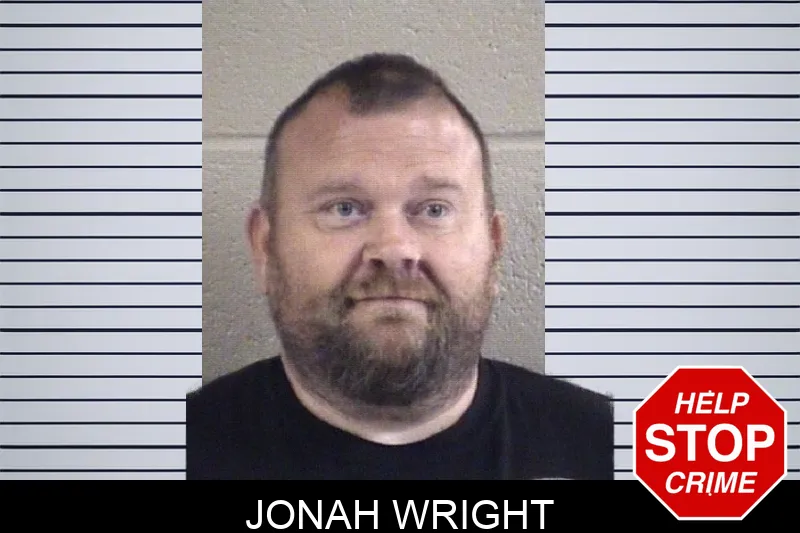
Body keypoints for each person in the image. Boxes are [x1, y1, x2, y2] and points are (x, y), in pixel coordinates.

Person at [187, 53, 613, 480]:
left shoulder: (606, 451)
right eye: (344, 208)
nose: (394, 249)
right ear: (265, 246)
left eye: (434, 209)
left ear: (494, 247)